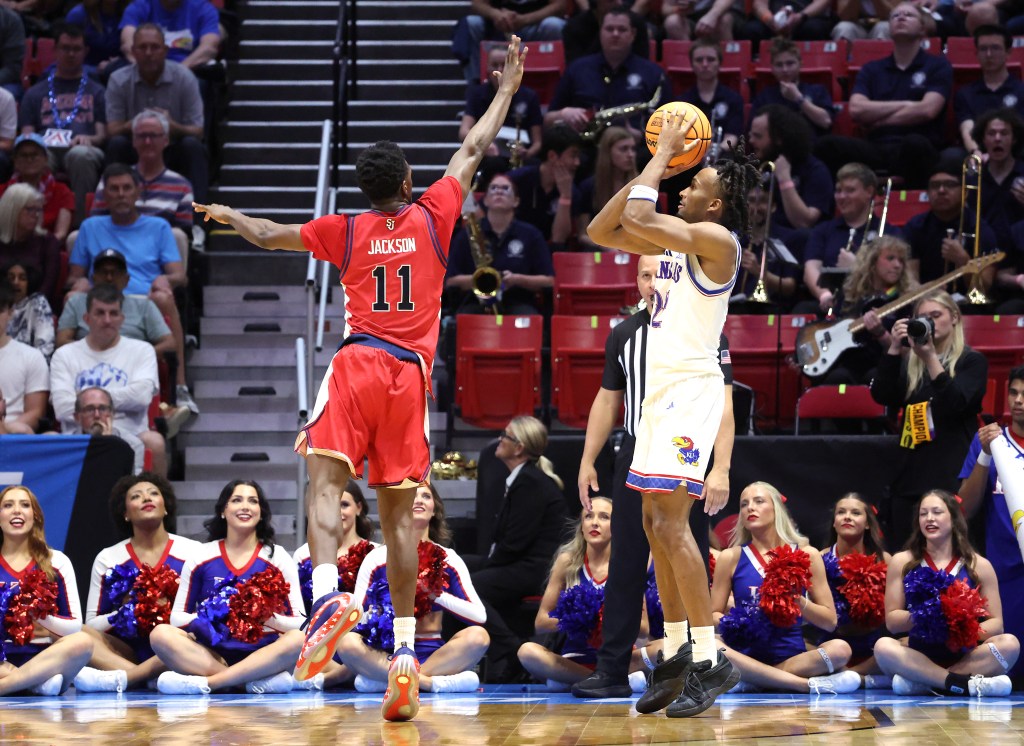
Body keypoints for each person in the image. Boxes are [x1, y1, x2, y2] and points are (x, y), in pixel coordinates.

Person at [192, 38, 527, 722]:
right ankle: (405, 650)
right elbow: (475, 147)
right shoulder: (435, 215)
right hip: (408, 377)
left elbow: (269, 233)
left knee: (322, 482)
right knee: (402, 517)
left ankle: (324, 599)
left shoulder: (343, 228)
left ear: (367, 191)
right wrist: (507, 89)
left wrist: (229, 219)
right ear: (407, 183)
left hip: (356, 362)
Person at [585, 110, 759, 716]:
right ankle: (681, 648)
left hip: (690, 392)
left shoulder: (718, 243)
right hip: (656, 397)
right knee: (656, 526)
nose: (685, 187)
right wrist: (658, 162)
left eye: (697, 185)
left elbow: (636, 214)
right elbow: (603, 229)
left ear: (716, 207)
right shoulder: (672, 241)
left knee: (676, 525)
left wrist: (662, 154)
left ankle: (712, 659)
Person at [572, 253, 735, 699]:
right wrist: (589, 459)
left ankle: (698, 656)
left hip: (685, 451)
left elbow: (724, 405)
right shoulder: (624, 333)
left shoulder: (701, 330)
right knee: (627, 560)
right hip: (638, 449)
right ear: (636, 280)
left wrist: (720, 466)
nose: (651, 282)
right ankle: (615, 669)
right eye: (644, 274)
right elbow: (607, 400)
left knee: (686, 547)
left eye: (658, 274)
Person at [151, 479, 313, 695]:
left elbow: (300, 624)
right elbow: (177, 618)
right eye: (236, 500)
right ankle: (246, 682)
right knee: (161, 634)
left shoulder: (278, 557)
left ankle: (212, 683)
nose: (245, 506)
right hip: (211, 651)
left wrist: (263, 618)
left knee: (298, 639)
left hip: (263, 651)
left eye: (253, 501)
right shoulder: (201, 556)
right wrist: (221, 617)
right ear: (223, 511)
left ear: (261, 512)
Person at [334, 484, 489, 695]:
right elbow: (355, 617)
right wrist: (382, 612)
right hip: (388, 654)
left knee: (478, 637)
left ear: (434, 510)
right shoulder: (378, 557)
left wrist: (434, 594)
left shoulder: (448, 558)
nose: (419, 500)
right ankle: (429, 683)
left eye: (426, 496)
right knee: (347, 643)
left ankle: (398, 682)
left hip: (433, 654)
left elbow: (479, 615)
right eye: (412, 496)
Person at [712, 482, 861, 694]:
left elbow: (830, 621)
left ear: (776, 509)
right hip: (744, 653)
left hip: (792, 657)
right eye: (744, 504)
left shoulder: (807, 554)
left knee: (840, 649)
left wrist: (798, 601)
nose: (750, 508)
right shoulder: (730, 557)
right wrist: (736, 620)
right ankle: (806, 685)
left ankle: (755, 680)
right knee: (712, 645)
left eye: (759, 501)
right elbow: (711, 615)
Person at [870, 290, 989, 549]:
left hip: (951, 471)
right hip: (911, 470)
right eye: (922, 317)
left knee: (952, 553)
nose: (929, 323)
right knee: (906, 552)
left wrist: (931, 358)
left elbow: (957, 403)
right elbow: (882, 394)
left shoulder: (972, 361)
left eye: (935, 316)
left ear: (955, 317)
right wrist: (892, 348)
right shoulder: (912, 364)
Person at [873, 490, 1019, 696]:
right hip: (918, 655)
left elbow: (996, 624)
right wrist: (929, 618)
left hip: (965, 657)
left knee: (1010, 644)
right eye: (923, 513)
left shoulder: (980, 565)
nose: (929, 518)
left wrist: (960, 629)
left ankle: (928, 683)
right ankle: (958, 683)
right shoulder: (902, 561)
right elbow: (892, 621)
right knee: (883, 646)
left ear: (954, 518)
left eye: (937, 512)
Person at [464, 415, 569, 682]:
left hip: (536, 569)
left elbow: (514, 544)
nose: (500, 440)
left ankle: (513, 651)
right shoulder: (522, 479)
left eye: (506, 436)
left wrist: (487, 565)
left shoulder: (530, 483)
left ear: (519, 447)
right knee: (457, 568)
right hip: (520, 563)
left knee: (469, 586)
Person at [81, 473, 201, 690]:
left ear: (165, 507)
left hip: (178, 645)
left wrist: (172, 612)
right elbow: (92, 623)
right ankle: (147, 676)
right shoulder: (108, 557)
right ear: (125, 513)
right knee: (80, 634)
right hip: (127, 651)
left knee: (193, 638)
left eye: (154, 493)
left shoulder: (194, 551)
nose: (146, 498)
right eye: (136, 496)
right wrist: (127, 612)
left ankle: (128, 678)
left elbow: (207, 614)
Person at [814, 3, 952, 189]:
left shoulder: (938, 65)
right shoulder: (872, 69)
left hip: (918, 144)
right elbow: (856, 109)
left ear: (922, 28)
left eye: (908, 15)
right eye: (895, 16)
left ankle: (910, 205)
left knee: (915, 145)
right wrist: (909, 104)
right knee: (827, 145)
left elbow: (928, 110)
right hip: (877, 145)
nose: (901, 18)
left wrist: (880, 119)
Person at [519, 496, 644, 689]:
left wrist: (605, 619)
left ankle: (584, 681)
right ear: (581, 526)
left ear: (617, 525)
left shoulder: (626, 564)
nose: (595, 522)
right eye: (588, 516)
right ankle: (596, 680)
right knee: (527, 651)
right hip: (574, 659)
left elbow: (644, 627)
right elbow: (541, 622)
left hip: (620, 659)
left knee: (665, 648)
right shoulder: (566, 562)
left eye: (604, 517)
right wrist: (577, 620)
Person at [49, 284, 165, 475]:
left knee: (155, 442)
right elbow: (62, 407)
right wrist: (112, 402)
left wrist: (87, 402)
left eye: (113, 313)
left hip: (130, 434)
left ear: (122, 318)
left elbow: (142, 397)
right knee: (48, 439)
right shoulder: (64, 355)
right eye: (100, 313)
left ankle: (161, 502)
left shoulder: (142, 350)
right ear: (86, 318)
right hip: (77, 436)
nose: (107, 320)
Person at [59, 248, 193, 410]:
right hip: (85, 372)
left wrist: (130, 355)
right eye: (103, 272)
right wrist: (95, 354)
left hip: (133, 373)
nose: (109, 278)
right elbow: (62, 342)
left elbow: (170, 344)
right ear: (93, 278)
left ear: (126, 279)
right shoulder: (77, 302)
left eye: (115, 273)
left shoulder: (144, 306)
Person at [957, 367, 1024, 680]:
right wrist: (984, 456)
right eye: (1014, 393)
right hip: (1005, 573)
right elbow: (964, 509)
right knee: (1008, 666)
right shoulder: (992, 442)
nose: (1019, 401)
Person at [0, 485, 95, 696]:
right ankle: (36, 684)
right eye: (8, 505)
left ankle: (9, 685)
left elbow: (74, 626)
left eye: (25, 505)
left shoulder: (57, 561)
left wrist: (39, 616)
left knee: (83, 642)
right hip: (2, 660)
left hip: (47, 658)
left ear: (35, 517)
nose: (17, 510)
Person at [105, 24, 207, 203]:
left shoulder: (185, 77)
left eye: (155, 47)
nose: (149, 53)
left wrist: (171, 126)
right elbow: (112, 130)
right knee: (116, 144)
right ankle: (111, 210)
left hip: (172, 148)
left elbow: (197, 131)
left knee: (193, 147)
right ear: (133, 51)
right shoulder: (118, 79)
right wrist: (135, 125)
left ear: (165, 50)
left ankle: (198, 222)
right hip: (134, 147)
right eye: (143, 47)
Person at [18, 23, 107, 225]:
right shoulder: (35, 93)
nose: (70, 54)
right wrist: (37, 142)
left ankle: (81, 225)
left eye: (76, 49)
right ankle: (35, 223)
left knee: (80, 156)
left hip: (83, 147)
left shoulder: (97, 90)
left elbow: (103, 135)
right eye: (65, 48)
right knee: (33, 156)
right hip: (46, 147)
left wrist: (89, 139)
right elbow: (27, 135)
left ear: (85, 52)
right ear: (55, 50)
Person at [544, 7, 670, 139]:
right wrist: (563, 114)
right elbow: (547, 120)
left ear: (633, 34)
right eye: (609, 29)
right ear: (600, 33)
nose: (615, 34)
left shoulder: (654, 74)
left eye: (622, 29)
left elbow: (670, 128)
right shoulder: (577, 69)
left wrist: (641, 136)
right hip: (584, 147)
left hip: (635, 149)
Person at [90, 109, 195, 261]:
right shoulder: (112, 179)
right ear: (133, 141)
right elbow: (97, 222)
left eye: (153, 136)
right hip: (114, 250)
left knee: (177, 236)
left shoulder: (182, 185)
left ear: (166, 140)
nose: (147, 142)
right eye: (141, 136)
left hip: (157, 253)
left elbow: (183, 233)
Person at [445, 172, 554, 315]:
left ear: (516, 201)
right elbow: (450, 281)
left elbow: (549, 280)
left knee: (528, 318)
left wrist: (517, 279)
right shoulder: (467, 234)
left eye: (505, 188)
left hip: (518, 301)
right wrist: (480, 280)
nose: (499, 191)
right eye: (494, 188)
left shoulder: (531, 235)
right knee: (463, 318)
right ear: (486, 200)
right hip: (475, 302)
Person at [813, 236, 915, 387]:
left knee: (874, 379)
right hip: (847, 363)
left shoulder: (904, 300)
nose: (897, 265)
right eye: (890, 258)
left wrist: (881, 334)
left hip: (882, 366)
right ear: (872, 261)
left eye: (901, 261)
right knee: (836, 378)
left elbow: (906, 353)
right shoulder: (849, 293)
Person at [817, 492, 891, 683]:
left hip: (872, 647)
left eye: (856, 513)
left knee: (900, 647)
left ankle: (849, 676)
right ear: (834, 522)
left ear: (867, 524)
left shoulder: (885, 560)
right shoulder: (819, 559)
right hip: (831, 643)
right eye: (841, 512)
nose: (847, 516)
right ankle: (856, 678)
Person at [902, 157, 997, 289]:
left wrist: (964, 261)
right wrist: (925, 292)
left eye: (950, 185)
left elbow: (984, 287)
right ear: (927, 193)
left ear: (965, 192)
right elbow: (909, 279)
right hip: (925, 302)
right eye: (935, 186)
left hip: (969, 305)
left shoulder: (980, 229)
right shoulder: (915, 227)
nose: (941, 190)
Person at [802, 162, 880, 314]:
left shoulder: (887, 232)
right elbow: (811, 268)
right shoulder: (822, 230)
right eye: (838, 191)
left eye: (850, 190)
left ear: (869, 191)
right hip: (831, 302)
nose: (842, 197)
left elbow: (892, 277)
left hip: (870, 306)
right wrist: (824, 294)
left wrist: (857, 267)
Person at [459, 44, 544, 179]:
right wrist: (484, 146)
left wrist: (527, 152)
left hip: (519, 157)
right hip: (488, 155)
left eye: (504, 65)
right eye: (494, 65)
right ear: (487, 68)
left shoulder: (529, 96)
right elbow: (464, 131)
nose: (499, 70)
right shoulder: (476, 94)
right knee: (491, 164)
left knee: (536, 166)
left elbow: (538, 142)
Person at [293, 480, 376, 613]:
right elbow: (298, 610)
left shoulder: (374, 554)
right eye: (330, 506)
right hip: (314, 631)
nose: (337, 512)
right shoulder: (303, 554)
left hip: (362, 632)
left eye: (344, 505)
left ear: (358, 508)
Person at [747, 104, 833, 232]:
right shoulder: (756, 165)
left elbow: (804, 222)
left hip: (795, 242)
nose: (751, 141)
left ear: (779, 138)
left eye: (758, 136)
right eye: (751, 135)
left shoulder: (815, 170)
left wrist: (784, 178)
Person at [507, 123, 583, 247]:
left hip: (548, 253)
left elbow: (559, 239)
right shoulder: (516, 180)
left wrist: (565, 197)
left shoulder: (572, 193)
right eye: (573, 155)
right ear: (552, 156)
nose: (577, 163)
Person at [954, 26, 1024, 158]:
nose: (989, 54)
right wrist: (976, 153)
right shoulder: (965, 93)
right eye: (983, 49)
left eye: (995, 48)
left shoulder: (1021, 90)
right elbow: (967, 128)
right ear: (976, 54)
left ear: (1008, 53)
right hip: (977, 150)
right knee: (951, 157)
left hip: (1015, 152)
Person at [456, 0, 565, 84]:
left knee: (555, 25)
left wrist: (525, 19)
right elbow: (477, 4)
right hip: (498, 26)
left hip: (535, 25)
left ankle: (556, 88)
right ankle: (476, 86)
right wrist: (496, 15)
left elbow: (560, 5)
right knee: (471, 23)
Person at [733, 180, 800, 307]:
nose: (756, 208)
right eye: (751, 201)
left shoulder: (788, 238)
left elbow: (789, 287)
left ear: (773, 206)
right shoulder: (736, 239)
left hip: (771, 311)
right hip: (734, 309)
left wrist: (758, 271)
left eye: (762, 201)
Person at [748, 38, 834, 137]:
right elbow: (754, 133)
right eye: (779, 65)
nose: (785, 69)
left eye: (790, 63)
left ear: (800, 64)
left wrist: (798, 98)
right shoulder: (764, 97)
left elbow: (826, 121)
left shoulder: (817, 90)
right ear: (772, 68)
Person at [0, 135, 74, 243]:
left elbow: (61, 233)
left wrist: (44, 248)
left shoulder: (62, 191)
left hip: (47, 250)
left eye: (34, 155)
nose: (29, 159)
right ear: (15, 161)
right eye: (23, 155)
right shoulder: (3, 191)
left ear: (45, 159)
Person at [577, 126, 638, 250]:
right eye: (624, 149)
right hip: (602, 251)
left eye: (632, 149)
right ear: (608, 152)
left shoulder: (643, 186)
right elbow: (583, 235)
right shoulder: (588, 187)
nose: (630, 155)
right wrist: (607, 248)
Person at [0, 183, 61, 305]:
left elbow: (48, 288)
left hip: (35, 310)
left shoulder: (48, 242)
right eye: (30, 209)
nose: (36, 215)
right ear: (12, 210)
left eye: (38, 209)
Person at [678, 40, 744, 153]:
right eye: (699, 60)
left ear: (719, 63)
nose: (704, 64)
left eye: (711, 59)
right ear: (692, 64)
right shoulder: (682, 102)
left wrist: (715, 152)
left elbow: (732, 137)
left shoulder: (733, 99)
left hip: (722, 155)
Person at [0, 283, 49, 435]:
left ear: (10, 312)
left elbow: (36, 412)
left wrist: (4, 430)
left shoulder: (31, 357)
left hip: (14, 436)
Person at [118, 0, 221, 71]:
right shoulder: (140, 6)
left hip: (188, 69)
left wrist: (179, 72)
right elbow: (128, 44)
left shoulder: (203, 9)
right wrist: (145, 72)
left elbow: (209, 47)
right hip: (143, 68)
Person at [974, 108, 1024, 250]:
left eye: (1004, 133)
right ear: (983, 139)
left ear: (1014, 139)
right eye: (991, 133)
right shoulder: (974, 178)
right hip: (983, 254)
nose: (997, 138)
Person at [67, 386, 147, 474]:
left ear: (112, 414)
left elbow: (130, 485)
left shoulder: (132, 445)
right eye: (89, 409)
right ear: (77, 417)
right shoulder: (66, 446)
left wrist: (109, 445)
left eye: (102, 409)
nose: (97, 415)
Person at [3, 260, 54, 360]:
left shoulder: (38, 302)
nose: (15, 282)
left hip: (30, 366)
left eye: (22, 278)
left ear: (30, 281)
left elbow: (45, 347)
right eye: (11, 278)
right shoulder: (2, 303)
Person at [65, 0, 131, 74]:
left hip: (121, 73)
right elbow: (67, 55)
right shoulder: (79, 15)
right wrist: (97, 70)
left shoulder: (131, 13)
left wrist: (117, 64)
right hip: (86, 74)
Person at [741, 0, 834, 45]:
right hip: (774, 19)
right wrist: (769, 19)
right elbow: (759, 4)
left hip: (807, 16)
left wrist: (801, 16)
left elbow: (823, 2)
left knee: (813, 29)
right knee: (751, 30)